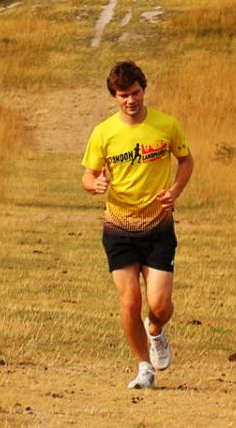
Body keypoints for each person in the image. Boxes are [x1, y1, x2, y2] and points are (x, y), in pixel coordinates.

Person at [81, 60, 193, 390]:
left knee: (160, 305)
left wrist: (175, 190)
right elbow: (88, 174)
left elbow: (186, 160)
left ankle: (155, 330)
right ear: (114, 97)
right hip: (119, 227)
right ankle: (144, 367)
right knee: (129, 301)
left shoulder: (166, 125)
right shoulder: (103, 132)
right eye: (123, 95)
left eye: (135, 93)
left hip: (158, 227)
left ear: (143, 90)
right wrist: (95, 184)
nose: (131, 100)